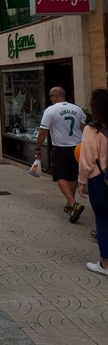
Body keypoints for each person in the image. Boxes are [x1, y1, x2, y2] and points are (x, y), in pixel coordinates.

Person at [35, 86, 86, 223]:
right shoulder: (77, 109)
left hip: (61, 147)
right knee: (72, 176)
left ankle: (74, 203)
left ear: (56, 96)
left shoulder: (50, 110)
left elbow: (43, 131)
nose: (50, 98)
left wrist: (38, 147)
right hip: (77, 148)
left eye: (51, 96)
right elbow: (84, 129)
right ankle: (70, 205)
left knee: (60, 176)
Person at [78, 88, 108, 275]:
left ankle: (106, 264)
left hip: (100, 180)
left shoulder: (92, 129)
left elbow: (87, 159)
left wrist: (81, 181)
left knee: (103, 220)